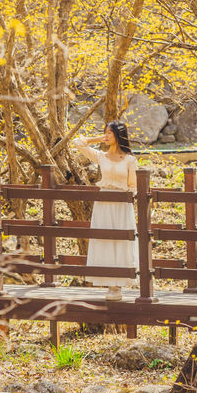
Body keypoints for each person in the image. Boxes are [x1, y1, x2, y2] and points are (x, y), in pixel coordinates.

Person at [73, 121, 138, 301]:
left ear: (119, 135)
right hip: (104, 203)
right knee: (104, 239)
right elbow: (78, 143)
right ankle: (109, 282)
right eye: (106, 133)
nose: (107, 136)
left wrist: (126, 201)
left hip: (121, 205)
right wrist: (98, 138)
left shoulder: (129, 160)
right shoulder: (101, 156)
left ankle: (117, 285)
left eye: (110, 133)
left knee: (120, 240)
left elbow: (133, 187)